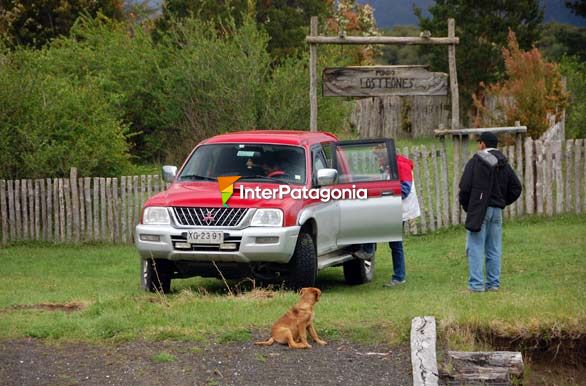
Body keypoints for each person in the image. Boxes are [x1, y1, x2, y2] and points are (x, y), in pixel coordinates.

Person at [458, 132, 522, 292]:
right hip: (496, 211)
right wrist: (501, 202)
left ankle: (476, 285)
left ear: (483, 144)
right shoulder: (504, 163)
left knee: (475, 247)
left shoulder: (476, 161)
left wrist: (469, 208)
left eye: (479, 142)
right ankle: (493, 285)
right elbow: (516, 188)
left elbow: (464, 188)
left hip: (480, 210)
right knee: (494, 248)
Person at [354, 155, 421, 287]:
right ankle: (368, 249)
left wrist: (384, 193)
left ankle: (399, 276)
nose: (378, 160)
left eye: (380, 157)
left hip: (399, 208)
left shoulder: (402, 166)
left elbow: (405, 190)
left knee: (395, 244)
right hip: (390, 205)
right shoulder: (387, 166)